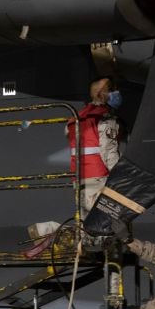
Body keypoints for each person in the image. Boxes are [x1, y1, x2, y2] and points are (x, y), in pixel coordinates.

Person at [66, 76, 122, 222]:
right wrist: (119, 177)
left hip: (79, 178)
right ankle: (49, 231)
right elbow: (108, 151)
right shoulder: (104, 117)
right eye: (111, 90)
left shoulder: (73, 119)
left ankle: (46, 232)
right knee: (110, 221)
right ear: (100, 94)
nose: (116, 93)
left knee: (84, 222)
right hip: (99, 177)